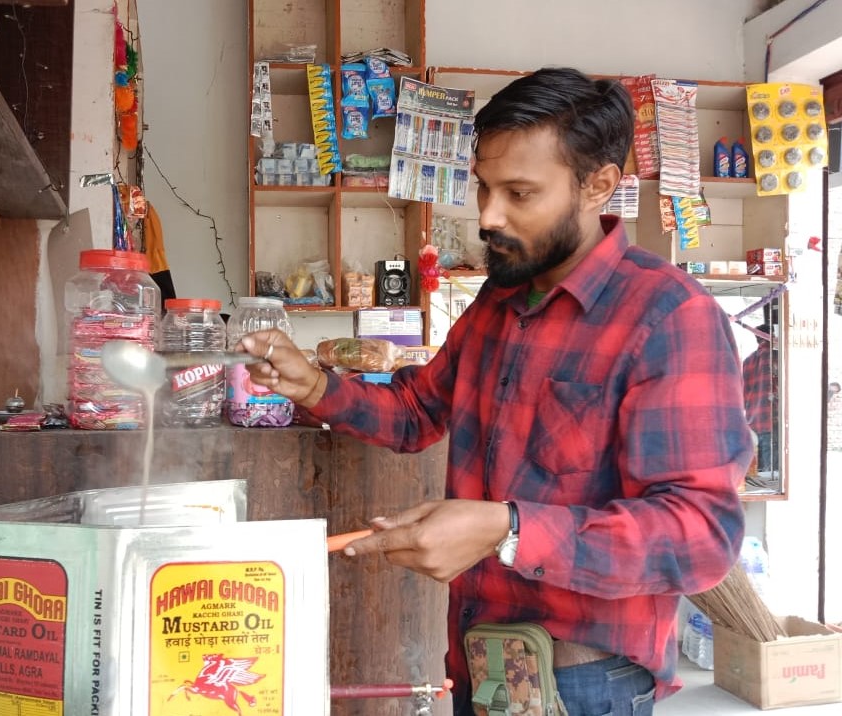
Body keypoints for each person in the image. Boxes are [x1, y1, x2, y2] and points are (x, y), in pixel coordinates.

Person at [241, 67, 750, 715]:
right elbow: (415, 412)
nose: (487, 216)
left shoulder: (668, 316)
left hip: (584, 682)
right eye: (483, 187)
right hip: (478, 659)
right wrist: (315, 385)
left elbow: (700, 536)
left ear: (598, 186)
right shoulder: (500, 298)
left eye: (519, 193)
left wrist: (508, 529)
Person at [742, 324, 778, 472]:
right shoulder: (776, 357)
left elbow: (743, 395)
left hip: (753, 421)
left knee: (759, 473)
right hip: (773, 420)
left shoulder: (747, 361)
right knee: (773, 474)